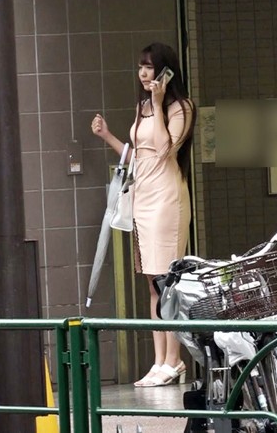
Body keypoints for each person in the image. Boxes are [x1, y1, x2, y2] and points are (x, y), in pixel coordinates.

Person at [91, 43, 195, 387]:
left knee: (168, 282)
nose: (143, 73)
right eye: (141, 67)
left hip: (167, 198)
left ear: (165, 71)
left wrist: (159, 103)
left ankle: (174, 360)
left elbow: (165, 149)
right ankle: (159, 360)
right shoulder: (142, 108)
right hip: (143, 197)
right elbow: (136, 157)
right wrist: (107, 135)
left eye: (150, 67)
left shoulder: (181, 107)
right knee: (152, 284)